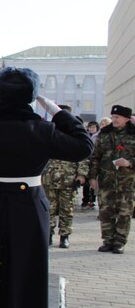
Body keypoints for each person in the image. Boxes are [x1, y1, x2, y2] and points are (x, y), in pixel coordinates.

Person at [0, 67, 92, 308]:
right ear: (32, 94)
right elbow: (83, 145)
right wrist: (57, 111)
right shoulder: (42, 129)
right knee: (25, 283)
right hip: (29, 209)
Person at [88, 105, 135, 254]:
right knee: (106, 212)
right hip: (106, 180)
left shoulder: (133, 134)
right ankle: (108, 241)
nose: (114, 120)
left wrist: (130, 163)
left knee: (124, 213)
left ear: (127, 119)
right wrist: (92, 177)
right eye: (113, 117)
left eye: (117, 117)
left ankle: (119, 242)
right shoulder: (104, 134)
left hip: (126, 182)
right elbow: (95, 157)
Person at [42, 105, 88, 249]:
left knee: (66, 210)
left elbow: (84, 156)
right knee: (49, 209)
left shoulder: (75, 133)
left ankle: (64, 236)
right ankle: (48, 234)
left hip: (69, 179)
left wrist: (81, 174)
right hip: (48, 178)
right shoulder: (49, 131)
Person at [81, 120, 100, 208]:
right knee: (86, 183)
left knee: (93, 180)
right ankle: (85, 199)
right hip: (86, 160)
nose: (91, 129)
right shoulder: (85, 135)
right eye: (90, 127)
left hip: (94, 161)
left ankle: (92, 200)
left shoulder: (99, 136)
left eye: (93, 127)